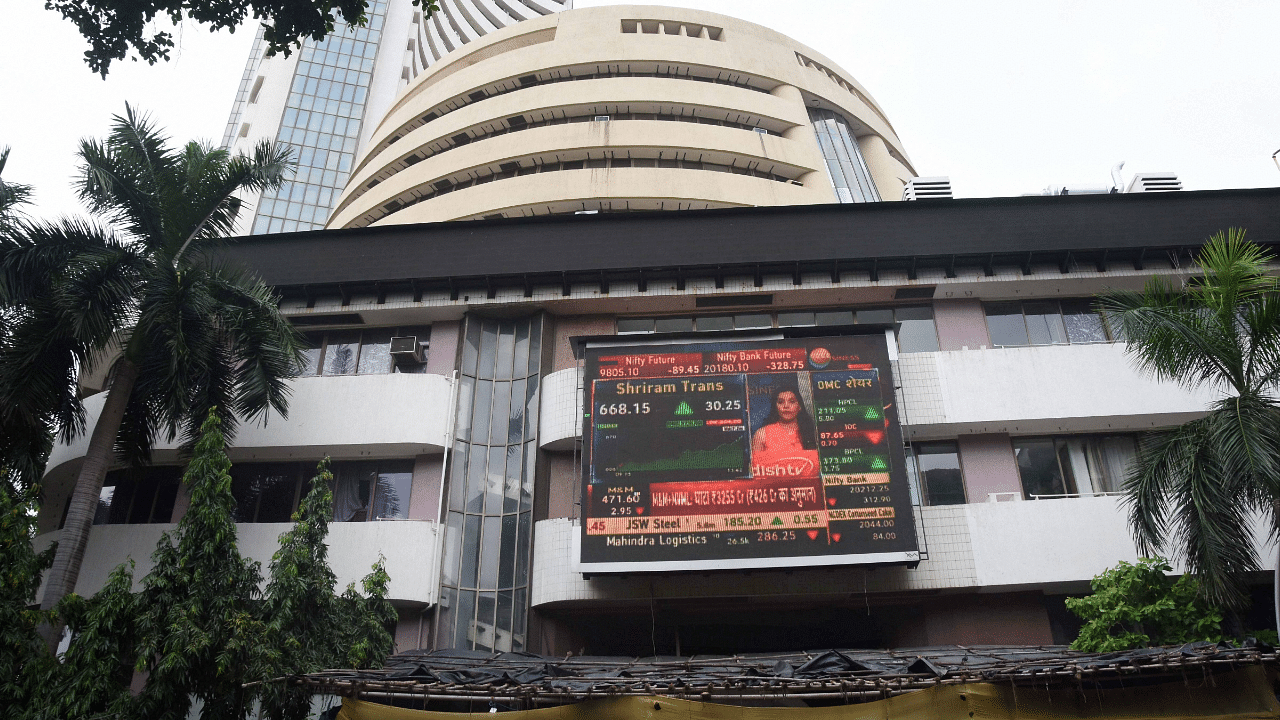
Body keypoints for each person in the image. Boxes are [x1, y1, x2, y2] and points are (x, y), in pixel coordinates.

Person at [752, 389, 818, 453]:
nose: (786, 406)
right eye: (780, 402)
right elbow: (756, 463)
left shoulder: (813, 432)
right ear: (775, 407)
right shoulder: (761, 434)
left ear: (799, 406)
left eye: (792, 401)